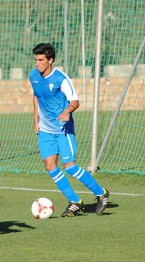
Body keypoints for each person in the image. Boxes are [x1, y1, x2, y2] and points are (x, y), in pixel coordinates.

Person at [29, 43, 109, 217]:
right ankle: (75, 201)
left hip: (63, 129)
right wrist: (35, 121)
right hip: (45, 130)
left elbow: (75, 101)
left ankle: (101, 193)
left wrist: (66, 112)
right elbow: (36, 96)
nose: (37, 63)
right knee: (50, 166)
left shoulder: (61, 79)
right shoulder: (33, 76)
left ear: (50, 60)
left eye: (41, 60)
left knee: (70, 167)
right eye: (36, 60)